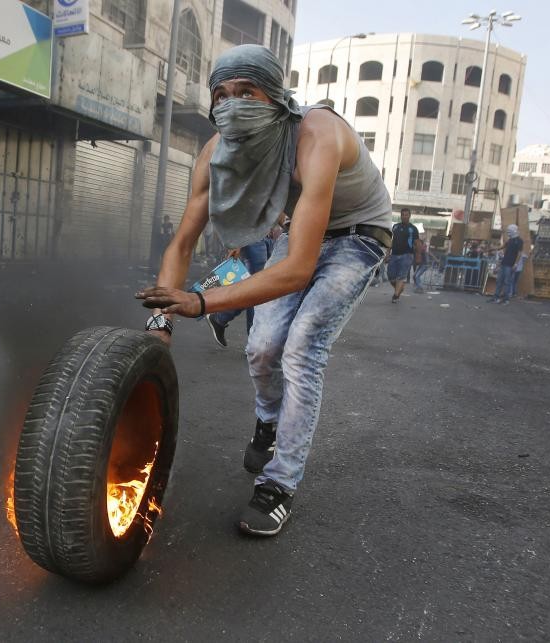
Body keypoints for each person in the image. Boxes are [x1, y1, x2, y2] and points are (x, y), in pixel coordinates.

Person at [135, 45, 392, 537]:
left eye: (246, 92)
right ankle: (269, 421)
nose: (232, 105)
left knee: (300, 349)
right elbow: (182, 242)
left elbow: (296, 270)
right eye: (221, 95)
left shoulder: (317, 134)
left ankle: (279, 483)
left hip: (358, 233)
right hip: (300, 231)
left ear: (276, 98)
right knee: (260, 347)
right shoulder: (216, 153)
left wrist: (201, 301)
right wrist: (160, 322)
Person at [205, 234, 274, 347]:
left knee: (258, 290)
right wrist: (237, 242)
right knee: (257, 290)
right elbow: (244, 216)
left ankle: (221, 318)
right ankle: (253, 342)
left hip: (264, 236)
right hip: (252, 237)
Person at [387, 208, 418, 303]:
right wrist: (388, 253)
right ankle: (399, 288)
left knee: (401, 276)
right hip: (394, 255)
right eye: (403, 214)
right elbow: (391, 241)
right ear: (400, 216)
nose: (404, 216)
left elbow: (416, 243)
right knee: (391, 276)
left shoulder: (413, 229)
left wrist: (417, 256)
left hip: (407, 255)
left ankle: (395, 296)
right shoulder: (395, 227)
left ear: (409, 216)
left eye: (406, 214)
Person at [489, 224, 524, 304]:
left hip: (510, 264)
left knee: (507, 282)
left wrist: (515, 264)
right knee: (499, 281)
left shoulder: (519, 241)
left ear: (513, 231)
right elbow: (502, 246)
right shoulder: (510, 240)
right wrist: (493, 249)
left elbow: (519, 253)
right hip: (504, 263)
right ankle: (496, 297)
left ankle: (506, 299)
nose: (508, 233)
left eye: (509, 231)